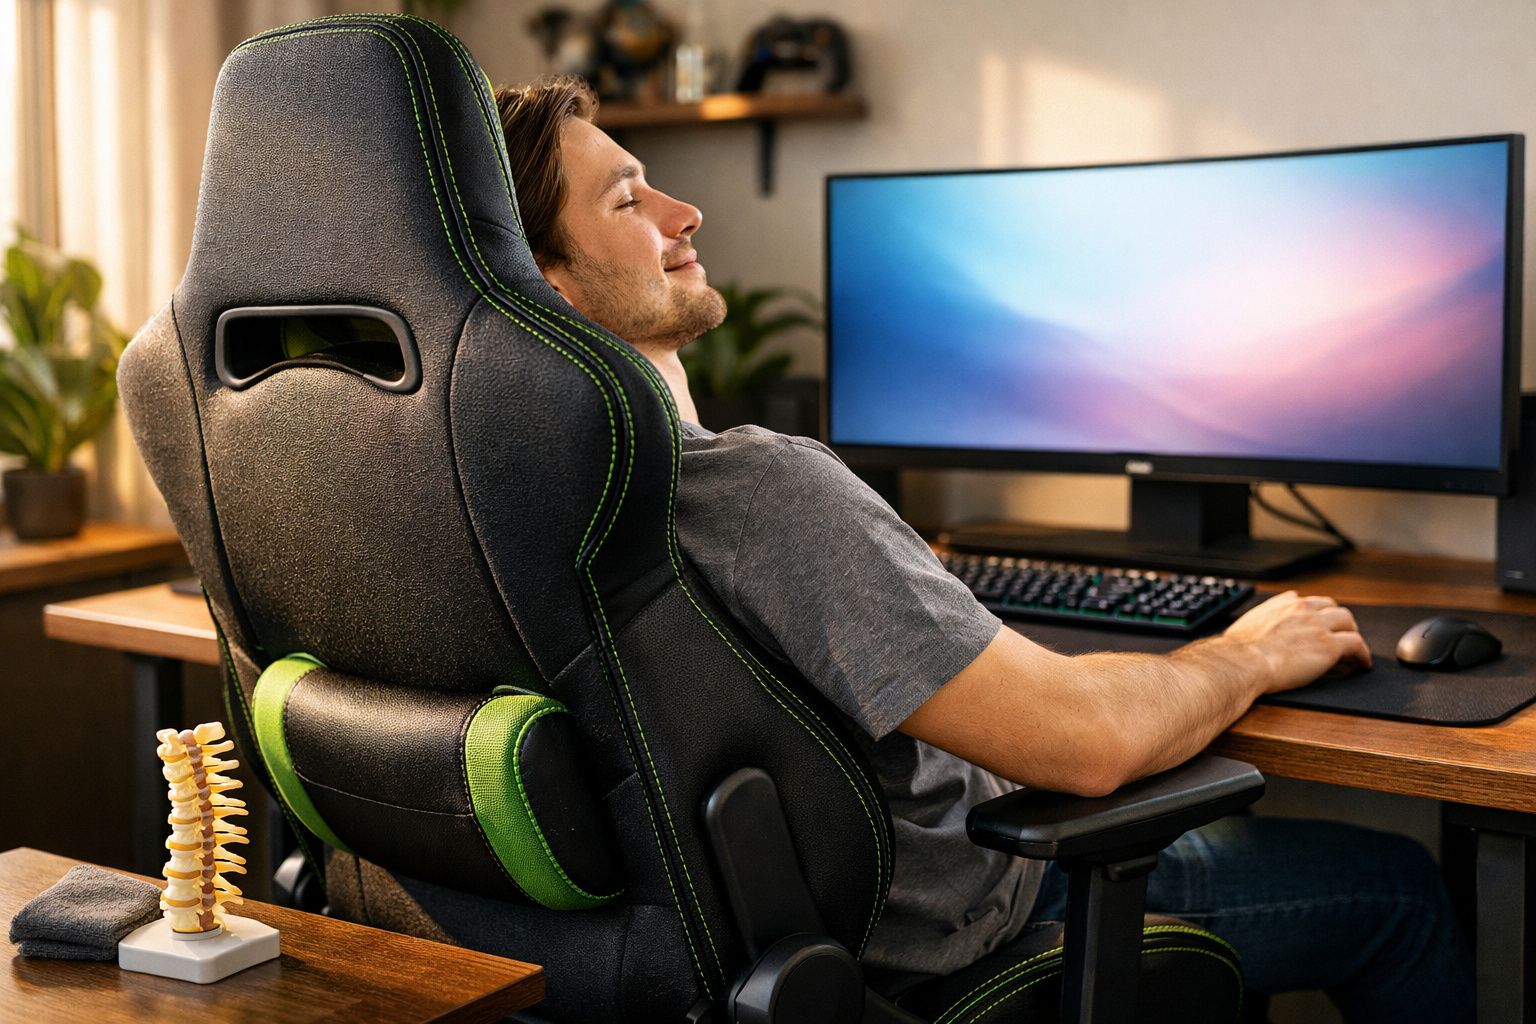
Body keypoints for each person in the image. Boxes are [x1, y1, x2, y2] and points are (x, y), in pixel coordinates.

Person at [493, 75, 1473, 1022]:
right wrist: (1249, 652)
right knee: (1399, 892)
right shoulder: (756, 491)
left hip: (741, 958)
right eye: (630, 199)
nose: (686, 210)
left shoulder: (511, 508)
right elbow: (1088, 745)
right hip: (978, 917)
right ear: (550, 284)